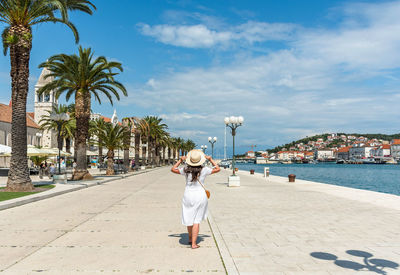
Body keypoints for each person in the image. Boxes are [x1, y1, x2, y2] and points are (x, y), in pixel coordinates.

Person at [171, 149, 220, 249]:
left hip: (188, 195)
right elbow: (217, 168)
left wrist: (180, 160)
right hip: (200, 195)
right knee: (196, 220)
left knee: (189, 217)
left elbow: (173, 169)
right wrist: (210, 159)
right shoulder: (204, 170)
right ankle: (194, 243)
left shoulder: (185, 169)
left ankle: (190, 239)